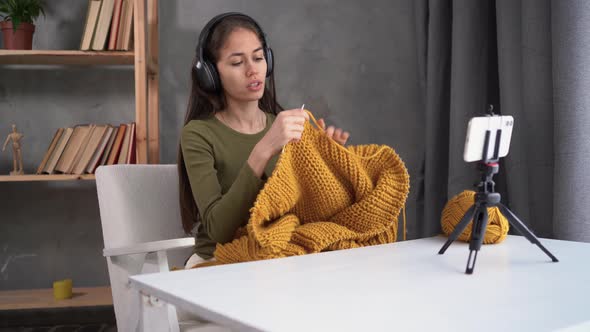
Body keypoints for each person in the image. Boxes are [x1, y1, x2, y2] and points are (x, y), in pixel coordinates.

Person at [178, 12, 350, 268]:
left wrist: (328, 164)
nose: (252, 70)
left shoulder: (287, 128)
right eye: (237, 63)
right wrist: (264, 149)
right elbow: (218, 231)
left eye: (258, 58)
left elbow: (308, 212)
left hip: (276, 258)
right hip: (218, 262)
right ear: (211, 74)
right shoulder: (198, 134)